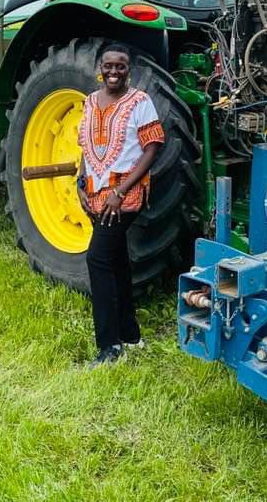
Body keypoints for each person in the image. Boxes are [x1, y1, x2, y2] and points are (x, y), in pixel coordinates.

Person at [76, 42, 165, 367]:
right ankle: (130, 335)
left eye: (121, 66)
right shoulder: (89, 102)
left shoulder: (140, 102)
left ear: (130, 69)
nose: (114, 72)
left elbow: (152, 149)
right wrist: (81, 183)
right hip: (96, 196)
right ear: (100, 67)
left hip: (124, 198)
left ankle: (109, 348)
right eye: (109, 66)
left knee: (97, 259)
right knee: (115, 262)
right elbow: (86, 148)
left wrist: (119, 190)